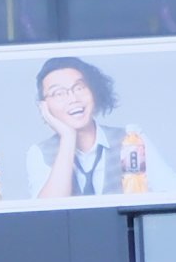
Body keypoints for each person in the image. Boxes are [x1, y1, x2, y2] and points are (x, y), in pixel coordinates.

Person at [29, 56, 133, 200]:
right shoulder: (40, 153)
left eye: (79, 88)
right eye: (58, 93)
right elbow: (47, 214)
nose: (73, 99)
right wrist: (68, 137)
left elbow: (171, 194)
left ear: (93, 91)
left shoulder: (131, 140)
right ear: (45, 106)